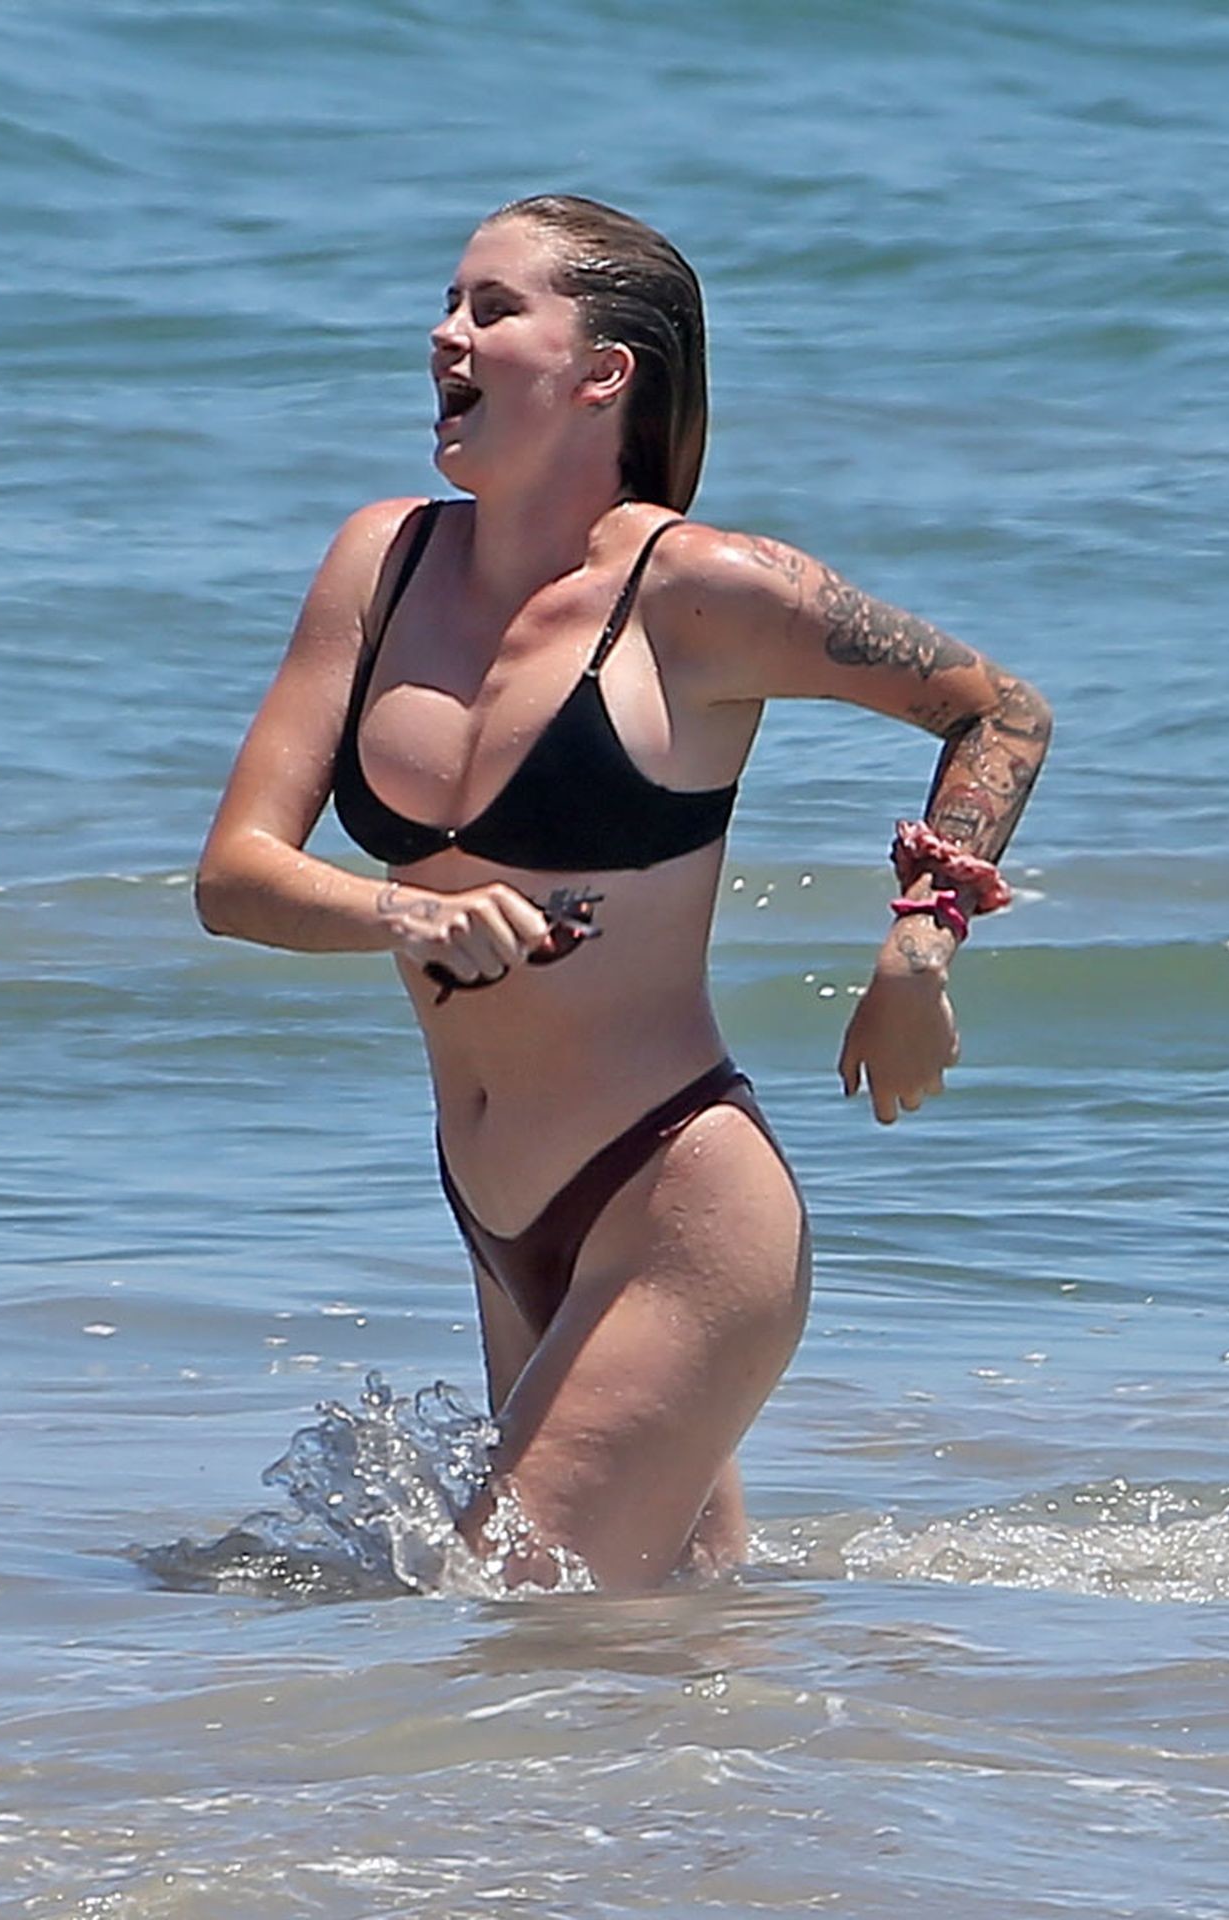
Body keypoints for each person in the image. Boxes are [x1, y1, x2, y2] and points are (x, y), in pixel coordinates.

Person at [195, 194, 1052, 1593]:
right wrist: (403, 911)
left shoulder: (700, 589)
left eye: (493, 308)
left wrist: (920, 943)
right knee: (658, 1646)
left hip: (671, 1200)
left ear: (604, 371)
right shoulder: (383, 562)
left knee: (500, 1610)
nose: (446, 333)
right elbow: (235, 878)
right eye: (448, 302)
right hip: (494, 1209)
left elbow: (999, 711)